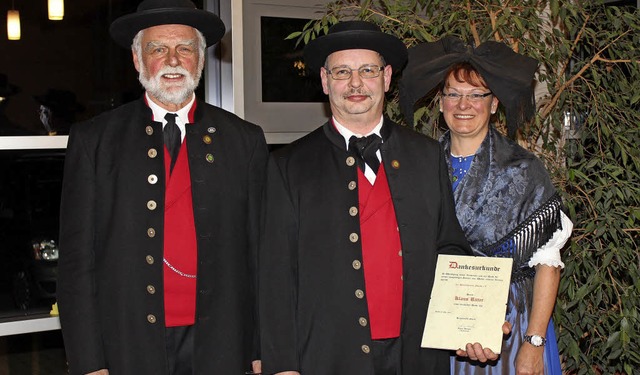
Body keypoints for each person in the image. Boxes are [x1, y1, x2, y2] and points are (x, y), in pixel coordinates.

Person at [259, 21, 504, 375]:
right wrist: (282, 365)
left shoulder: (426, 155)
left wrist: (473, 320)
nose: (355, 83)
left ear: (387, 78)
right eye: (342, 71)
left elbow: (450, 245)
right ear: (326, 81)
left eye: (368, 70)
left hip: (416, 355)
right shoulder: (287, 165)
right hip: (328, 356)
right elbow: (276, 275)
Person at [57, 1, 267, 374]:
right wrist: (88, 361)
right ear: (138, 60)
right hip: (126, 342)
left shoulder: (244, 140)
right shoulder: (94, 140)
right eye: (157, 49)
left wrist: (261, 347)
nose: (172, 60)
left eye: (184, 48)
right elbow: (77, 263)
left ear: (200, 60)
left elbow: (260, 255)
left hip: (222, 342)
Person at [399, 36, 573, 375]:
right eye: (453, 93)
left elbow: (548, 264)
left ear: (494, 104)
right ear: (440, 102)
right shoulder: (417, 165)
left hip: (510, 328)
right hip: (438, 324)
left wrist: (533, 342)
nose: (464, 104)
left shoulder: (522, 170)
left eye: (476, 94)